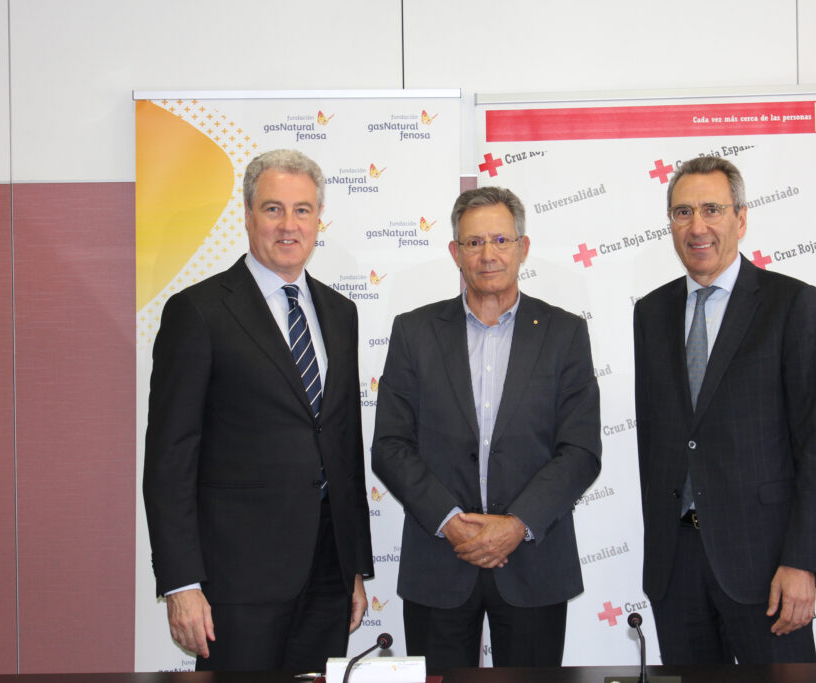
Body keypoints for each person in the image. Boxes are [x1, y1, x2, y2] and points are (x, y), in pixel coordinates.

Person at [143, 149, 373, 672]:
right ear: (247, 217)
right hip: (235, 583)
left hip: (327, 574)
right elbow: (170, 459)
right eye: (273, 209)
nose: (288, 225)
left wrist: (354, 567)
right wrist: (182, 584)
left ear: (319, 221)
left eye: (302, 210)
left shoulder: (341, 313)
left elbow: (343, 445)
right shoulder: (197, 312)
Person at [371, 186, 601, 667]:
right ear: (455, 252)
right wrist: (450, 524)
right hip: (439, 561)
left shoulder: (565, 333)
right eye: (474, 243)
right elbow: (391, 445)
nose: (488, 254)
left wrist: (517, 526)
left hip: (534, 563)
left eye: (500, 239)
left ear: (523, 247)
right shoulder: (414, 333)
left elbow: (580, 450)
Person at [633, 157, 816, 664]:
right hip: (675, 567)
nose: (696, 226)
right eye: (682, 212)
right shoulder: (650, 312)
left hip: (766, 565)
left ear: (741, 219)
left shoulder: (792, 304)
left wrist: (803, 562)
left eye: (711, 209)